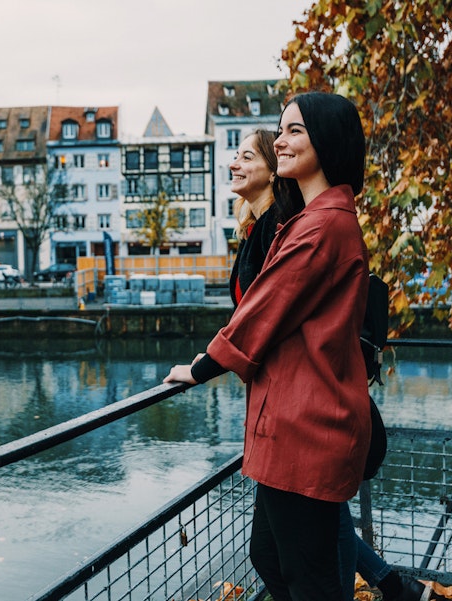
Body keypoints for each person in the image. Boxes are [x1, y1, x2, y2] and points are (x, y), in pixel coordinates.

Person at [165, 92, 371, 600]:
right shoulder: (313, 219)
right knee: (272, 557)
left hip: (306, 427)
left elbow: (264, 307)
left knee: (309, 579)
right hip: (293, 424)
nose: (281, 140)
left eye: (295, 131)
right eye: (281, 130)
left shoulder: (323, 226)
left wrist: (202, 367)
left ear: (327, 141)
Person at [225, 127, 428, 601]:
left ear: (274, 171)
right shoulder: (263, 231)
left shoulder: (292, 228)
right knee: (294, 541)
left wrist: (211, 362)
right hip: (286, 403)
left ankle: (395, 586)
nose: (235, 164)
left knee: (306, 547)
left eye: (247, 156)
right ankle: (396, 586)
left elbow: (269, 313)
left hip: (302, 406)